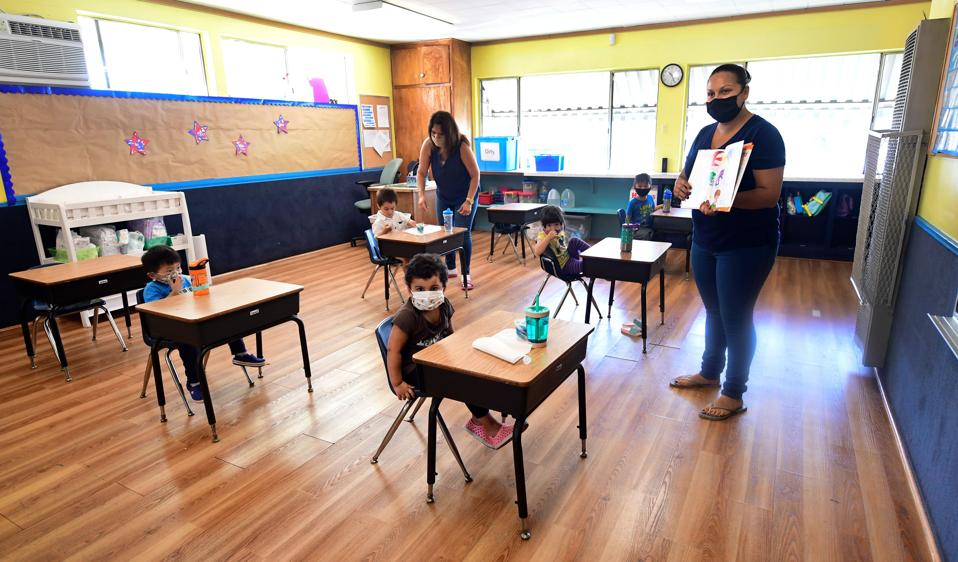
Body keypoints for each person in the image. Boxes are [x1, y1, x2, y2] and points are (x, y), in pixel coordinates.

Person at [669, 63, 785, 421]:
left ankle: (734, 392)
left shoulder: (764, 135)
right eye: (710, 93)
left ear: (744, 93)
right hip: (705, 238)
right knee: (715, 311)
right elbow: (686, 174)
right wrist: (679, 184)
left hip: (747, 244)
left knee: (736, 316)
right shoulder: (705, 133)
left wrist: (726, 201)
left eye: (724, 92)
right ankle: (709, 372)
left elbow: (769, 195)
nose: (715, 99)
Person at [386, 253, 515, 449]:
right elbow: (393, 351)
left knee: (476, 364)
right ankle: (487, 424)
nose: (427, 294)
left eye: (434, 288)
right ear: (409, 289)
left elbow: (449, 333)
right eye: (419, 289)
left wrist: (461, 352)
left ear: (444, 288)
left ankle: (482, 415)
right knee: (463, 380)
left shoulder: (444, 305)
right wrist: (397, 383)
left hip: (439, 359)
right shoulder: (407, 317)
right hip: (416, 370)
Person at [141, 245, 266, 402]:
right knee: (187, 343)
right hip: (170, 329)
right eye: (168, 271)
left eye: (178, 268)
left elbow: (202, 299)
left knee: (227, 320)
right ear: (152, 275)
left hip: (194, 321)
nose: (175, 273)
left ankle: (240, 353)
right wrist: (174, 292)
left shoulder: (186, 280)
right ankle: (194, 382)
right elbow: (156, 312)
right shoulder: (151, 290)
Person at [416, 111, 481, 290]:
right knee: (446, 232)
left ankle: (466, 273)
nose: (436, 137)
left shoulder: (461, 146)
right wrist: (421, 194)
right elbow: (421, 172)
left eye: (440, 134)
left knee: (461, 233)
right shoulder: (428, 145)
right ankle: (450, 267)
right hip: (444, 195)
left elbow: (475, 175)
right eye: (433, 133)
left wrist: (468, 201)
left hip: (465, 194)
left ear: (449, 133)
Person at [532, 205, 591, 277]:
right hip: (563, 267)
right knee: (588, 266)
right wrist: (548, 238)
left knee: (574, 240)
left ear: (561, 223)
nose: (553, 228)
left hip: (568, 258)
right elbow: (537, 252)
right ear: (544, 226)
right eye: (549, 225)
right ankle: (600, 267)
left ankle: (593, 255)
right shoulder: (542, 235)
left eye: (556, 224)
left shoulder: (560, 230)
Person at [619, 173, 661, 241]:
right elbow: (627, 219)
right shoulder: (632, 203)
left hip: (648, 227)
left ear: (650, 186)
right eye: (640, 186)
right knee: (648, 234)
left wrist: (662, 206)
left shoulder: (650, 198)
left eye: (645, 186)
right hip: (636, 229)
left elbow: (652, 209)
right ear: (635, 186)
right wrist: (628, 232)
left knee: (659, 232)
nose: (643, 188)